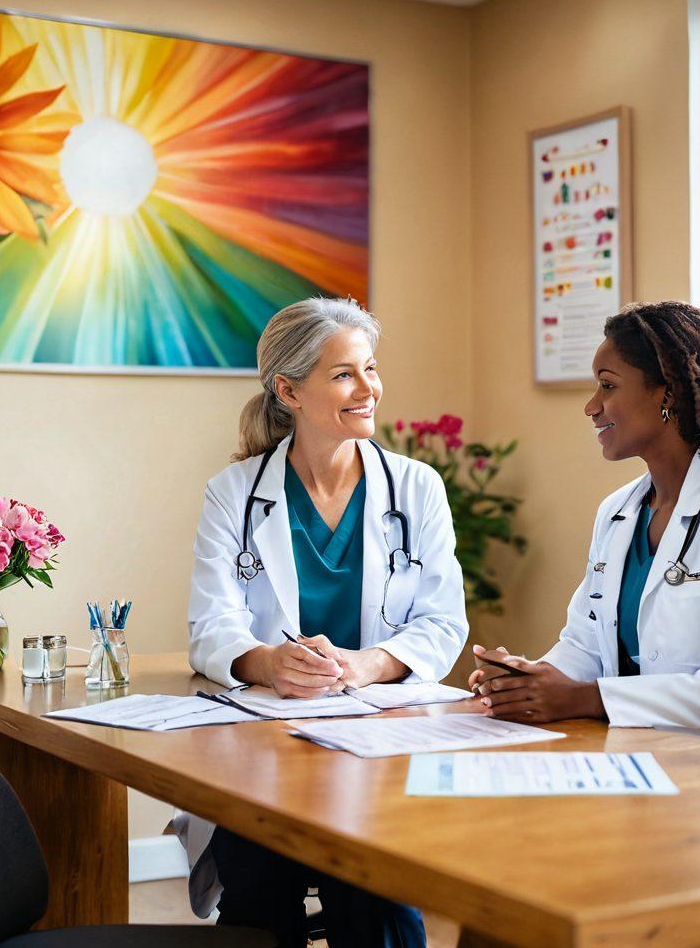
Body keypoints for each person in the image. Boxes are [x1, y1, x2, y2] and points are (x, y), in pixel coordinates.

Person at [178, 297, 467, 947]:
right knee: (258, 887)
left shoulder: (416, 487)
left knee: (376, 899)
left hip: (378, 743)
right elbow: (211, 626)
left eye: (371, 368)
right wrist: (267, 663)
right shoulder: (234, 492)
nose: (369, 389)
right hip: (268, 745)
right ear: (289, 391)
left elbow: (443, 623)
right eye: (343, 374)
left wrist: (367, 665)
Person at [470, 300, 700, 762]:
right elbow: (586, 645)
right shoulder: (618, 512)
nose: (591, 406)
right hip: (660, 755)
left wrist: (587, 698)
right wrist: (526, 683)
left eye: (608, 386)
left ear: (667, 394)